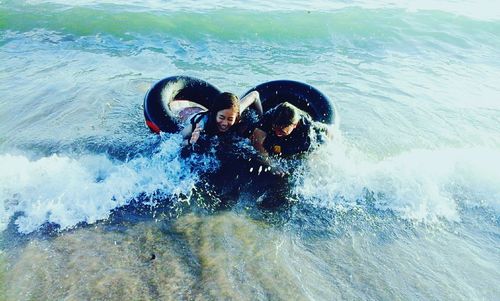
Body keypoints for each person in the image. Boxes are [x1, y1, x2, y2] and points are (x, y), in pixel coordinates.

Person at [250, 102, 330, 159]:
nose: (277, 133)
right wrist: (270, 164)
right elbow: (256, 141)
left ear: (295, 125)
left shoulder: (307, 127)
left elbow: (327, 131)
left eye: (282, 131)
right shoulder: (268, 118)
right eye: (275, 129)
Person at [180, 91, 262, 146]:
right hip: (188, 114)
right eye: (221, 118)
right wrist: (190, 142)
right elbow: (178, 140)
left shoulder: (235, 112)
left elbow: (255, 94)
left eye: (230, 119)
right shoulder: (200, 125)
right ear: (215, 114)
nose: (225, 123)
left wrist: (261, 118)